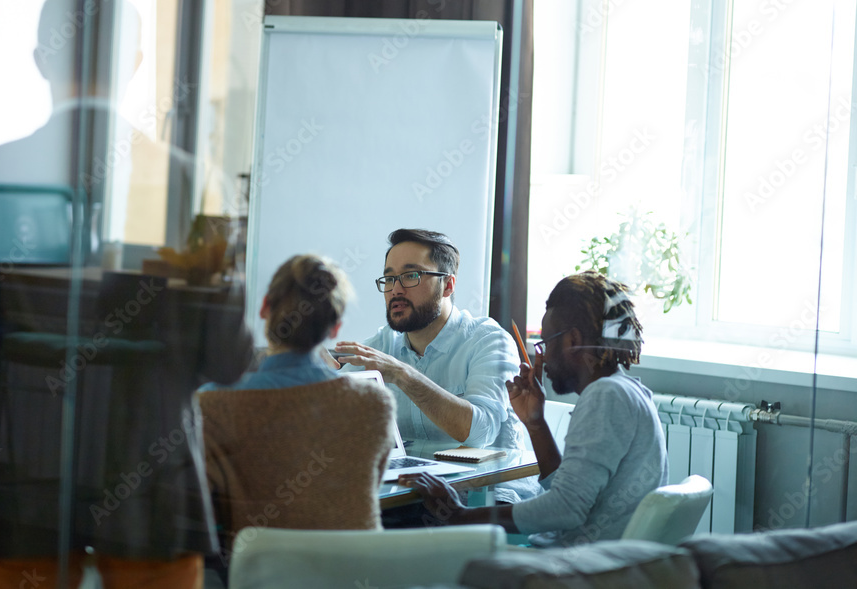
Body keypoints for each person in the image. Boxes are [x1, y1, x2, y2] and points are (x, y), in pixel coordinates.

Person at [0, 0, 253, 588]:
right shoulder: (191, 181)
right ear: (134, 64)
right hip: (153, 477)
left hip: (19, 473)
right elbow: (227, 358)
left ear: (42, 58)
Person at [399, 271, 668, 547]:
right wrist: (535, 423)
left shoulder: (605, 396)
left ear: (572, 340)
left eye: (547, 343)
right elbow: (568, 493)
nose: (543, 356)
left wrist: (460, 515)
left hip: (581, 567)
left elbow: (565, 509)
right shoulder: (628, 391)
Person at [198, 254, 395, 568]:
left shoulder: (212, 405)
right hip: (355, 575)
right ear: (335, 329)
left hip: (264, 576)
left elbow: (204, 512)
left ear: (264, 308)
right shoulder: (374, 403)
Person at [335, 228, 525, 453]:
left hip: (486, 484)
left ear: (448, 285)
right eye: (389, 278)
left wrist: (403, 375)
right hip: (411, 482)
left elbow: (480, 433)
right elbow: (328, 413)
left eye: (411, 276)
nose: (395, 289)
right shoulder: (383, 344)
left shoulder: (489, 342)